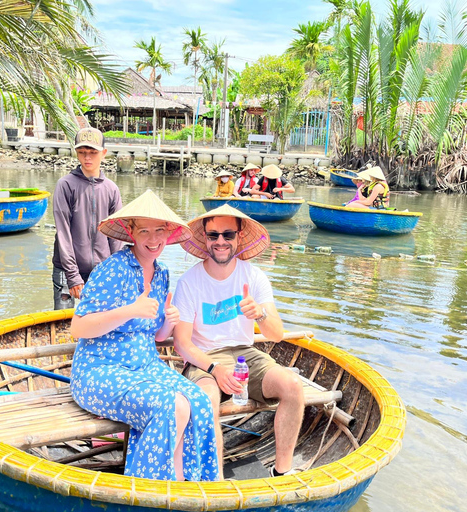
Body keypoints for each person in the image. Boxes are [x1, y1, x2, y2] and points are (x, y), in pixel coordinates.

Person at [69, 190, 219, 482]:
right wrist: (128, 310)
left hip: (146, 366)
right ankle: (147, 488)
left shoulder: (162, 274)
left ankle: (180, 484)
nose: (153, 240)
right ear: (131, 233)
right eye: (145, 231)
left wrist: (168, 323)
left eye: (160, 231)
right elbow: (79, 327)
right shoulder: (112, 270)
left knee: (198, 401)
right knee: (170, 405)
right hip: (100, 370)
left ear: (169, 233)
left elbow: (155, 336)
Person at [172, 205, 306, 478]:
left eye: (227, 234)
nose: (220, 241)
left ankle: (282, 471)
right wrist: (215, 370)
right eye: (213, 235)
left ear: (239, 236)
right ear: (205, 238)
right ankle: (216, 480)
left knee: (292, 386)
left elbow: (276, 334)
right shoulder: (189, 282)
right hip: (205, 358)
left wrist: (261, 313)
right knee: (207, 399)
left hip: (246, 355)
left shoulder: (253, 276)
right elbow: (182, 344)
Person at [52, 127, 122, 310]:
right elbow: (63, 233)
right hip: (66, 269)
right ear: (76, 152)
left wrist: (115, 271)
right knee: (63, 323)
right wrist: (73, 275)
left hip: (101, 271)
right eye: (82, 152)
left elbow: (116, 235)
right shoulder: (65, 185)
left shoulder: (111, 189)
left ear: (103, 153)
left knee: (99, 321)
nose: (87, 157)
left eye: (93, 152)